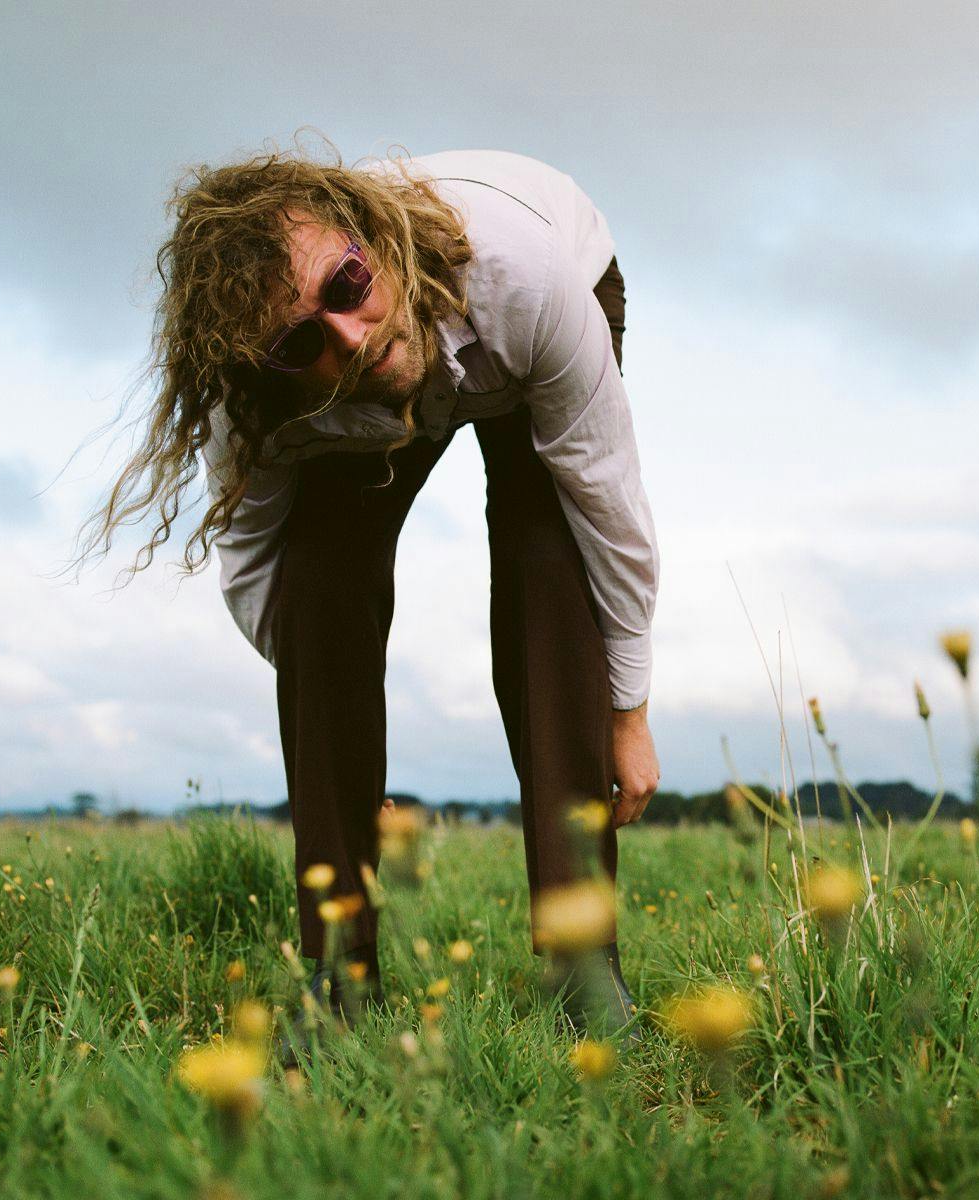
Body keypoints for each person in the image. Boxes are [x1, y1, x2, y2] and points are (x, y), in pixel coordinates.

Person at [72, 138, 661, 1046]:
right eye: (302, 337)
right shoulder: (270, 398)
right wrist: (331, 729)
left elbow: (608, 503)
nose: (351, 335)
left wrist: (626, 710)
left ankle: (582, 966)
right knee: (322, 582)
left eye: (346, 286)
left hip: (526, 295)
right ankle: (340, 977)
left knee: (549, 560)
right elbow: (262, 567)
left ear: (371, 242)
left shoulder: (529, 278)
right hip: (351, 407)